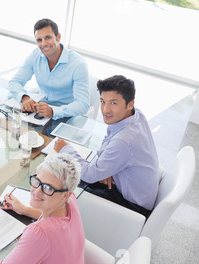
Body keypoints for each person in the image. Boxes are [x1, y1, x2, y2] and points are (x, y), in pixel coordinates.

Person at [0, 154, 92, 264]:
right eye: (37, 181)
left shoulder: (39, 233)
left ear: (65, 195)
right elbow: (56, 222)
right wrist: (24, 209)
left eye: (48, 188)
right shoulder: (71, 201)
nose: (36, 191)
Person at [55, 75, 159, 218]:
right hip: (135, 189)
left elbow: (90, 175)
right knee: (71, 174)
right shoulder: (137, 115)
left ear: (130, 104)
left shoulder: (124, 141)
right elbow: (110, 140)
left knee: (62, 185)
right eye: (103, 102)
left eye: (113, 103)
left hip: (131, 206)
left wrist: (64, 149)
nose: (105, 110)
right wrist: (106, 169)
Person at [9, 18, 89, 119]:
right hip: (40, 110)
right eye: (39, 40)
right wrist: (24, 98)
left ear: (58, 37)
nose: (44, 44)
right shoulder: (35, 55)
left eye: (48, 37)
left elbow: (83, 104)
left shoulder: (78, 64)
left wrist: (53, 111)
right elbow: (15, 81)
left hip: (66, 114)